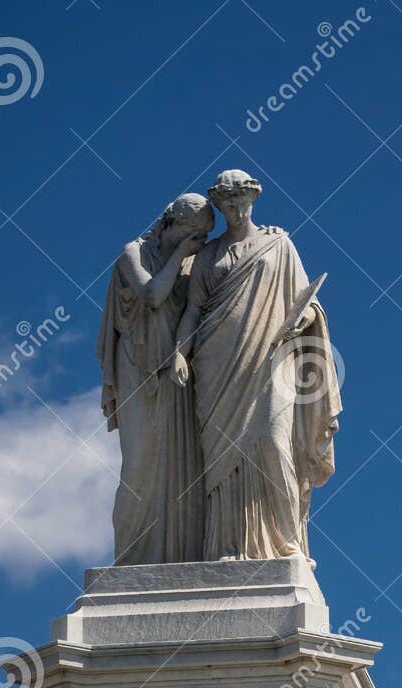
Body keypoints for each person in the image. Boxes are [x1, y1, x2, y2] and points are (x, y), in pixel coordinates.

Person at [172, 169, 341, 561]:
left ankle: (286, 542)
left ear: (253, 199)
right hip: (215, 365)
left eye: (240, 200)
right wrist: (180, 352)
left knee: (273, 442)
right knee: (221, 459)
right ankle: (228, 546)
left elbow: (308, 300)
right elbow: (194, 310)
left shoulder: (279, 244)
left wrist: (303, 319)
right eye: (226, 202)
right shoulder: (208, 257)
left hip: (269, 358)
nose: (234, 208)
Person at [97, 192, 214, 564]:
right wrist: (181, 256)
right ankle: (131, 559)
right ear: (172, 223)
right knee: (140, 465)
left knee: (182, 467)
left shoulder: (195, 263)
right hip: (138, 366)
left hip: (177, 371)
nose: (198, 243)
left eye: (203, 237)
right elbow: (152, 295)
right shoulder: (132, 252)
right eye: (193, 233)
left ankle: (179, 557)